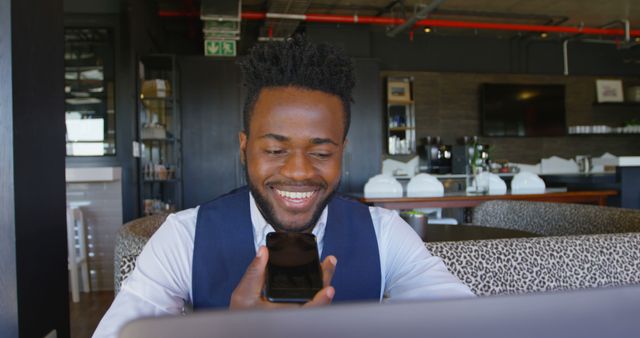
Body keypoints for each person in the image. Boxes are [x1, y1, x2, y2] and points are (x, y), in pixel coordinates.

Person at [93, 35, 473, 338]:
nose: (297, 171)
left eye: (321, 152)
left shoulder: (386, 235)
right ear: (244, 147)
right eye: (275, 149)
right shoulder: (183, 238)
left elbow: (468, 322)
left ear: (343, 151)